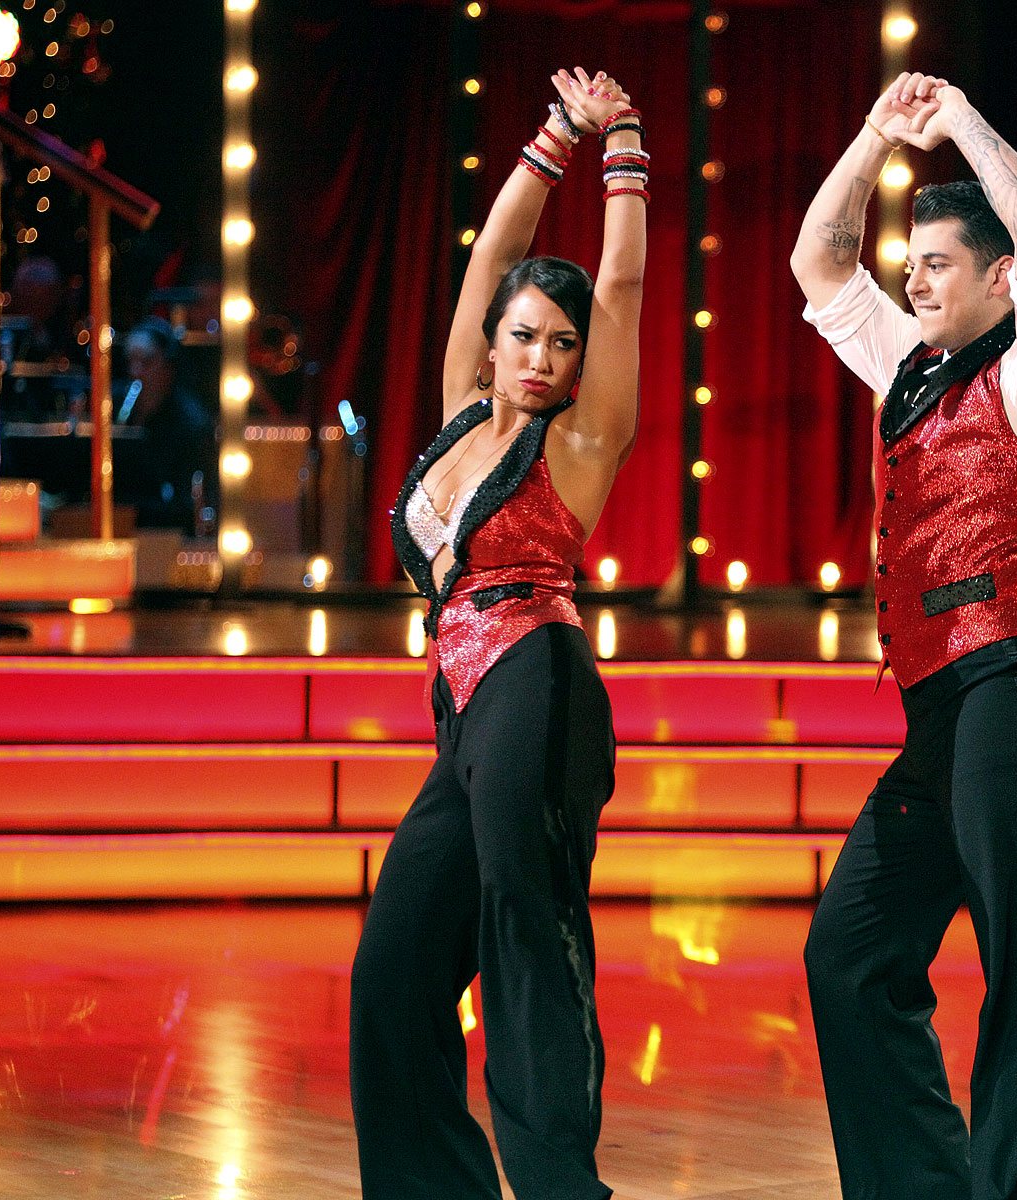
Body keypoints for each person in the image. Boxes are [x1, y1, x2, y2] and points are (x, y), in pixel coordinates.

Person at [789, 72, 1017, 1200]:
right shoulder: (911, 371)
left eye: (936, 264)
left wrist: (964, 120)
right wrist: (877, 131)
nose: (913, 279)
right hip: (943, 707)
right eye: (912, 261)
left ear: (996, 280)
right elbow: (818, 262)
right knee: (851, 955)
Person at [350, 67, 646, 1200]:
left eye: (561, 345)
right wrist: (548, 137)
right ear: (494, 345)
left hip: (539, 682)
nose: (541, 357)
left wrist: (620, 145)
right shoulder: (461, 414)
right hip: (463, 709)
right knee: (395, 971)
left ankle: (563, 1187)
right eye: (525, 335)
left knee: (531, 944)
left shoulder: (579, 443)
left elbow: (618, 280)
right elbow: (488, 261)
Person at [116, 316, 216, 532]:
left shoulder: (191, 422)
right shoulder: (115, 406)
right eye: (131, 362)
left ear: (169, 366)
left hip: (167, 527)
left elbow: (188, 498)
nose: (136, 372)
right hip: (122, 517)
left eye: (146, 362)